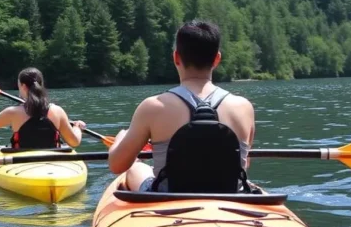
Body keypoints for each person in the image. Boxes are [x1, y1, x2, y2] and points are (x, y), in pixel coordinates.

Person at [108, 20, 256, 193]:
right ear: (217, 59)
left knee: (136, 168)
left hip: (169, 198)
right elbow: (244, 163)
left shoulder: (153, 107)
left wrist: (119, 139)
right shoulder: (244, 107)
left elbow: (117, 165)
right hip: (229, 194)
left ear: (176, 57)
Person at [0, 67, 85, 149]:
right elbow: (74, 142)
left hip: (22, 163)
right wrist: (77, 127)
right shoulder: (58, 111)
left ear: (24, 87)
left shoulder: (13, 112)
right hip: (52, 163)